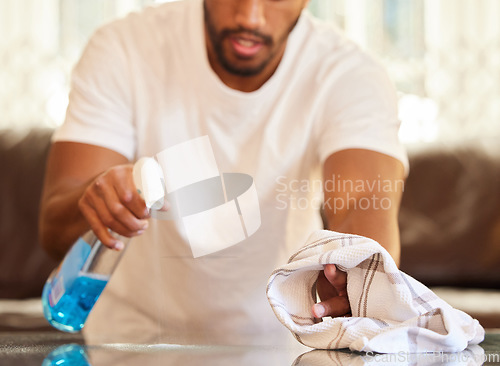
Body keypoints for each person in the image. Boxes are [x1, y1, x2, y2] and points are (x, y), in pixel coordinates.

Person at [39, 0, 407, 345]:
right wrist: (98, 200)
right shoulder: (124, 49)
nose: (250, 17)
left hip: (281, 348)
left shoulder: (349, 74)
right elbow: (55, 231)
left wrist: (357, 278)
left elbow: (361, 201)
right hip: (127, 347)